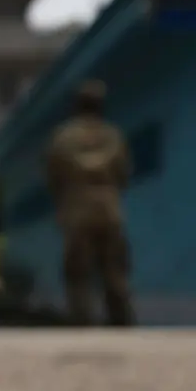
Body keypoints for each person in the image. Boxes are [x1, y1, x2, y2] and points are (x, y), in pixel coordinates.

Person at [45, 79, 135, 327]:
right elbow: (124, 173)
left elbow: (53, 175)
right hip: (108, 204)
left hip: (76, 205)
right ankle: (121, 320)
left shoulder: (63, 137)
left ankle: (81, 321)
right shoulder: (113, 136)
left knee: (78, 270)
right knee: (114, 268)